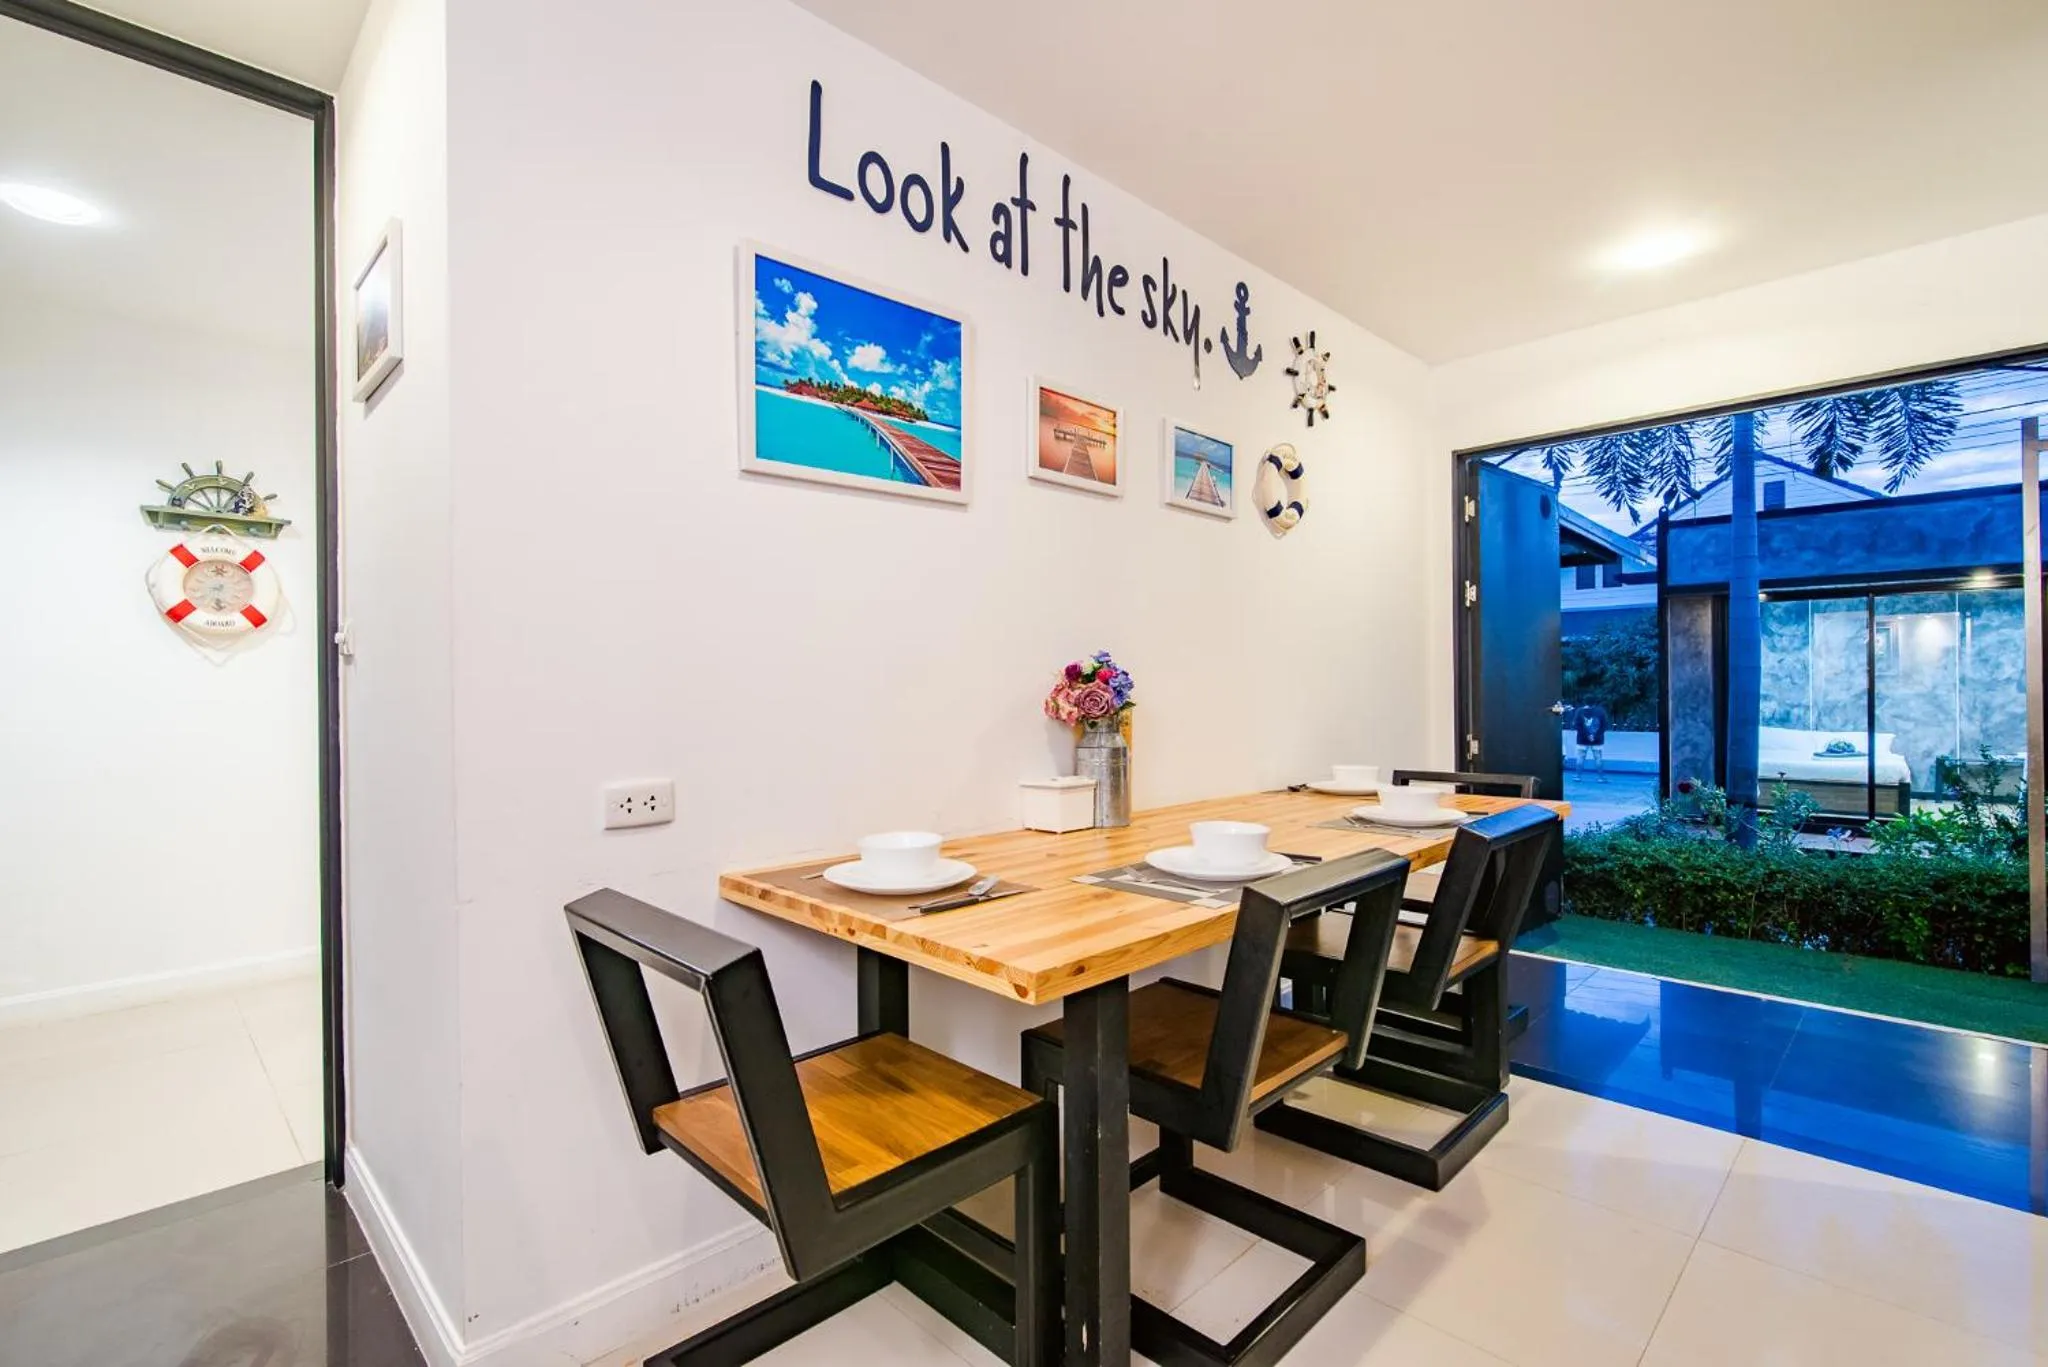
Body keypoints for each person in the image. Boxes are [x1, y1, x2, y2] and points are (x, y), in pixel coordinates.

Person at [1574, 702, 1610, 782]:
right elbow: (1604, 725)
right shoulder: (1601, 711)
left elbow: (1577, 725)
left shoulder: (1579, 711)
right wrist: (1595, 736)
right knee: (1598, 758)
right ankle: (1600, 778)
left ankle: (1578, 776)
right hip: (1597, 740)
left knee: (1580, 758)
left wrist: (1587, 736)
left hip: (1582, 739)